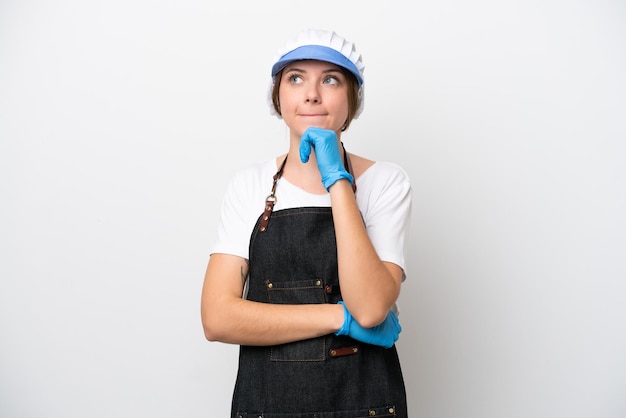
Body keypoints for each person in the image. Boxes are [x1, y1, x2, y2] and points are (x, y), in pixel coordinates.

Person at [201, 28, 412, 417]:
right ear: (278, 96)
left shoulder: (385, 182)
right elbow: (217, 318)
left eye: (330, 79)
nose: (311, 93)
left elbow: (369, 309)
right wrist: (339, 317)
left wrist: (338, 181)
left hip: (363, 404)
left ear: (352, 99)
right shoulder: (249, 185)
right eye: (296, 78)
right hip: (267, 406)